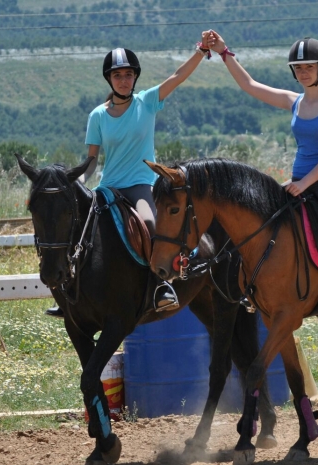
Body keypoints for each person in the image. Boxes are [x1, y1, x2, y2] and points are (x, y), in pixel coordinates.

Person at [46, 33, 213, 317]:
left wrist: (201, 51)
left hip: (142, 185)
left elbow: (177, 76)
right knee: (78, 229)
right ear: (109, 79)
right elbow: (91, 159)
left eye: (128, 74)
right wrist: (80, 182)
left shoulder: (147, 102)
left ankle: (160, 287)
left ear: (135, 77)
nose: (123, 80)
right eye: (117, 75)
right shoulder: (97, 115)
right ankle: (72, 293)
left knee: (149, 224)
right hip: (108, 187)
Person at [206, 32, 318, 313]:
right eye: (299, 68)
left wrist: (303, 185)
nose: (303, 72)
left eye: (309, 67)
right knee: (260, 221)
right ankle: (256, 285)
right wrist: (223, 52)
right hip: (298, 180)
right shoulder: (294, 101)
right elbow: (249, 84)